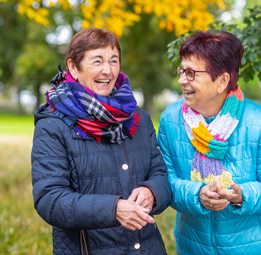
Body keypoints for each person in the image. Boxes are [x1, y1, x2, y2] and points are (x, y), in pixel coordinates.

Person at [31, 27, 172, 255]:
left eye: (113, 60)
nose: (107, 70)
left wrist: (152, 191)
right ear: (73, 68)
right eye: (97, 61)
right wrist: (113, 209)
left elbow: (161, 175)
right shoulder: (53, 124)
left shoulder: (138, 118)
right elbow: (50, 200)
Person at [157, 30, 261, 255]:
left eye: (191, 73)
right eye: (182, 70)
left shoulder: (260, 122)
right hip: (194, 247)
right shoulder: (171, 119)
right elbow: (164, 180)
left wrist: (243, 196)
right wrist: (197, 194)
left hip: (256, 248)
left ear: (221, 81)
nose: (182, 80)